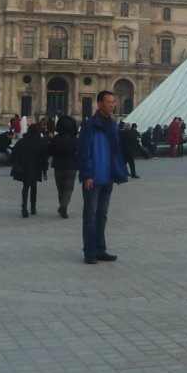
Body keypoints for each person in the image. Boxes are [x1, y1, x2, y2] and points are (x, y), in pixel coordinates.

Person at [78, 90, 129, 264]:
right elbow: (84, 152)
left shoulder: (113, 125)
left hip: (108, 177)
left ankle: (100, 249)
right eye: (109, 102)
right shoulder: (89, 125)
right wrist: (87, 174)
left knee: (102, 215)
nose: (112, 105)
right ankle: (89, 252)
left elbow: (116, 152)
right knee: (90, 216)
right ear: (99, 103)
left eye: (113, 102)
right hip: (93, 177)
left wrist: (118, 172)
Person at [10, 123, 50, 218]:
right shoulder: (41, 142)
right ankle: (33, 207)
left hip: (25, 167)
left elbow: (14, 153)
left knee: (25, 187)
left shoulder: (22, 141)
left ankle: (24, 206)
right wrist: (44, 171)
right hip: (36, 168)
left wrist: (17, 163)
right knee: (34, 187)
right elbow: (45, 158)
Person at [49, 115, 80, 218]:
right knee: (69, 188)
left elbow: (51, 152)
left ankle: (62, 206)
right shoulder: (75, 140)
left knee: (60, 188)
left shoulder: (56, 139)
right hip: (71, 167)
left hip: (58, 167)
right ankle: (64, 206)